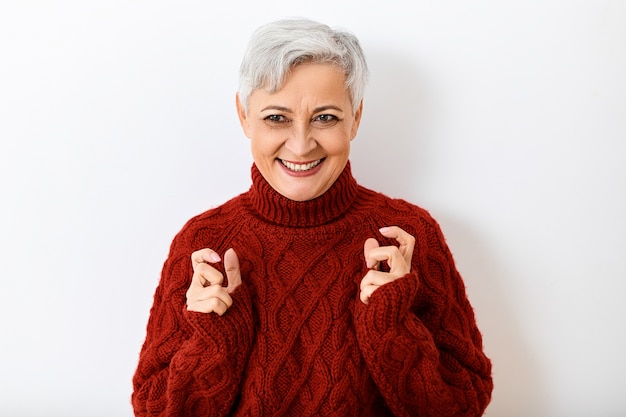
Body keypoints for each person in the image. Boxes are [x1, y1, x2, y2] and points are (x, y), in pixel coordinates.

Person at [132, 17, 493, 416]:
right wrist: (214, 341)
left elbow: (464, 405)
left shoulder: (407, 236)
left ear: (355, 118)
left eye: (325, 117)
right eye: (276, 118)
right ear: (243, 115)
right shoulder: (204, 243)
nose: (301, 145)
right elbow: (154, 410)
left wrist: (391, 327)